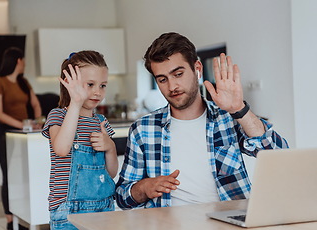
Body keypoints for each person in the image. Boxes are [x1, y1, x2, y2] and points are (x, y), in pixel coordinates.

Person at [115, 32, 289, 209]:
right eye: (162, 79)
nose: (172, 86)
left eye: (178, 74)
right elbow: (122, 198)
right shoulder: (143, 129)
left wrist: (239, 109)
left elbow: (278, 154)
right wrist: (144, 188)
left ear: (197, 68)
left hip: (229, 223)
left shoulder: (227, 118)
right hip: (169, 229)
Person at [41, 50, 118, 230]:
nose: (98, 92)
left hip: (104, 209)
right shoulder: (58, 116)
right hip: (69, 212)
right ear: (69, 84)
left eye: (103, 85)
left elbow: (111, 172)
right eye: (90, 85)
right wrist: (75, 103)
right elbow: (61, 149)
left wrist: (110, 147)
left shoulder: (101, 121)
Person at [0, 47, 41, 230]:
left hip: (23, 134)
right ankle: (10, 218)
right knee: (9, 174)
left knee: (22, 175)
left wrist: (37, 121)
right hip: (5, 134)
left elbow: (35, 104)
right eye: (24, 60)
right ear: (18, 61)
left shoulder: (24, 82)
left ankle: (22, 213)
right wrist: (23, 125)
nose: (25, 63)